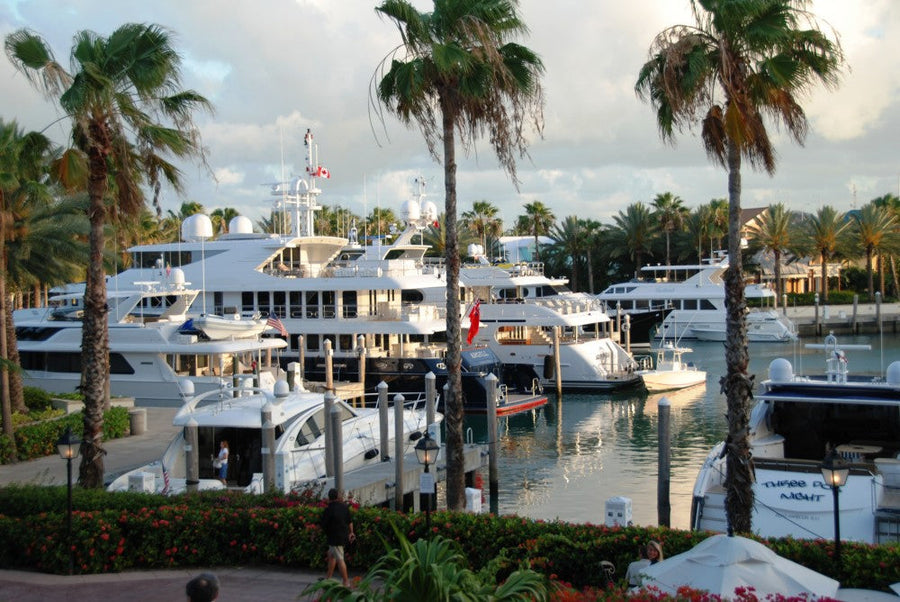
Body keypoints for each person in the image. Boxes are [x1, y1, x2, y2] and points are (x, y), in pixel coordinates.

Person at [321, 487, 355, 587]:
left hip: (334, 538)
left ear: (329, 497)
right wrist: (351, 532)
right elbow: (350, 521)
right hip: (343, 536)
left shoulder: (328, 510)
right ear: (338, 496)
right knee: (331, 556)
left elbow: (323, 524)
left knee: (340, 559)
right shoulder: (344, 507)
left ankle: (346, 581)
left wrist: (314, 533)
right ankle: (328, 578)